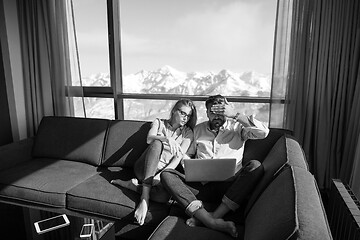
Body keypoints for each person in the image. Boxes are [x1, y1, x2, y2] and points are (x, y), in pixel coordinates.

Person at [160, 94, 269, 237]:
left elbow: (264, 133)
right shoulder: (198, 130)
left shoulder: (238, 128)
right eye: (213, 112)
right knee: (166, 174)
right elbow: (188, 154)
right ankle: (210, 220)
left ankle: (213, 216)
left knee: (255, 166)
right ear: (207, 113)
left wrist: (235, 115)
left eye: (220, 112)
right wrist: (188, 166)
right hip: (201, 187)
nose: (216, 116)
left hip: (229, 188)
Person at [111, 98, 197, 225]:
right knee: (157, 143)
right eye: (183, 113)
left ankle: (133, 186)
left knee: (164, 197)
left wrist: (160, 176)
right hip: (143, 168)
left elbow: (178, 157)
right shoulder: (159, 122)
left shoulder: (188, 133)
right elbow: (149, 139)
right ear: (174, 111)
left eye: (189, 116)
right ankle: (144, 198)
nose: (186, 118)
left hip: (162, 173)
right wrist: (165, 138)